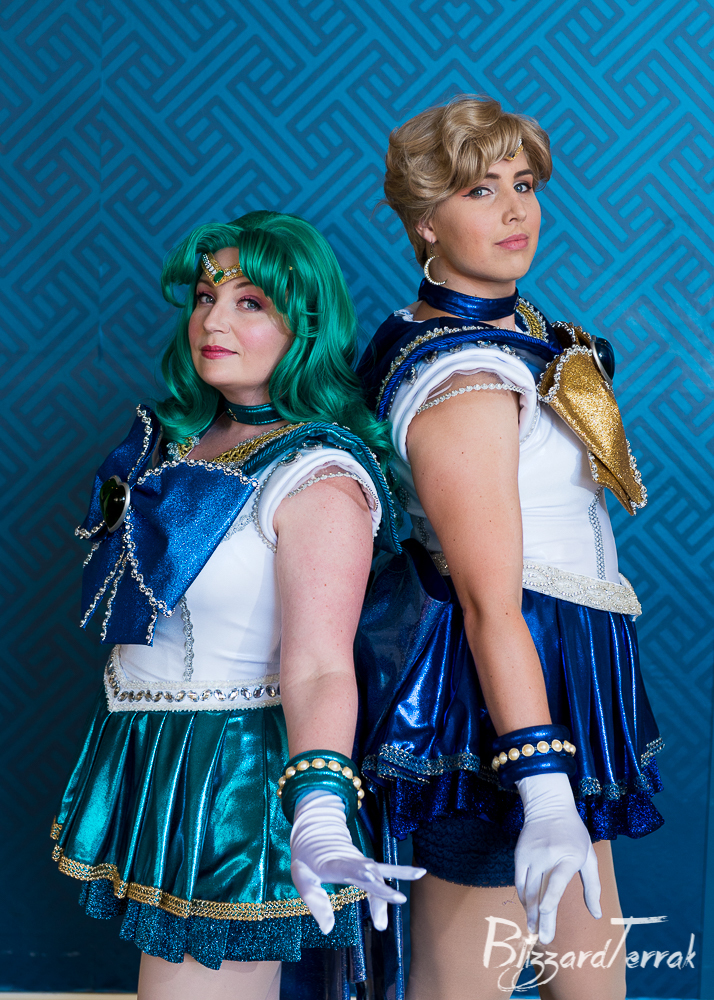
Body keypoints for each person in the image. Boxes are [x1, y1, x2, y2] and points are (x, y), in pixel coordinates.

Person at [51, 210, 423, 1000]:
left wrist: (318, 802)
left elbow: (321, 663)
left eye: (250, 301)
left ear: (306, 323)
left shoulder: (318, 476)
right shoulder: (173, 442)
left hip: (234, 779)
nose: (213, 321)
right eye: (204, 296)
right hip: (154, 756)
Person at [355, 96, 663, 1000]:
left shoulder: (514, 334)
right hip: (498, 693)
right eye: (480, 190)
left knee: (591, 971)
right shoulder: (467, 375)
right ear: (425, 221)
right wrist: (540, 781)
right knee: (467, 979)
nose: (515, 210)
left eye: (523, 184)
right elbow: (491, 601)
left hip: (568, 669)